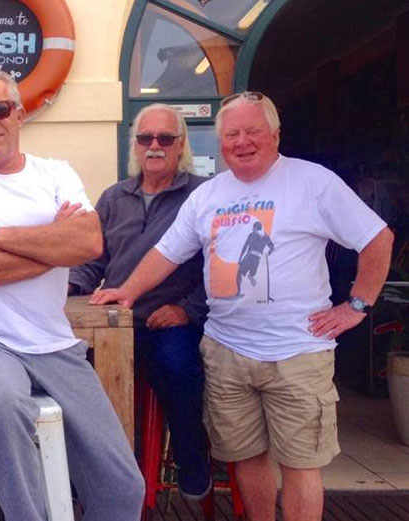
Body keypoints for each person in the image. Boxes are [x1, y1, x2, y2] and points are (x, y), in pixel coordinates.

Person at [93, 92, 394, 521]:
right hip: (226, 351)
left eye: (253, 131)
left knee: (300, 463)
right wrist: (128, 292)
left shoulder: (313, 181)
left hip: (297, 351)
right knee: (246, 457)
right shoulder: (208, 195)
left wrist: (357, 305)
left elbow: (376, 237)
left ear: (274, 134)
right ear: (220, 143)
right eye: (231, 134)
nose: (242, 141)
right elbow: (167, 252)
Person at [0, 67, 144, 521]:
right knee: (0, 405)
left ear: (20, 115)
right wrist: (50, 246)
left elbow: (88, 244)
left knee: (122, 488)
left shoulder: (55, 172)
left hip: (55, 345)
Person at [69, 103, 211, 500]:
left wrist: (188, 309)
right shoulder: (114, 196)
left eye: (165, 138)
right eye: (146, 138)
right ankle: (99, 474)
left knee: (176, 367)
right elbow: (93, 260)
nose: (154, 146)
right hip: (114, 322)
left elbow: (217, 265)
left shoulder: (201, 195)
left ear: (181, 144)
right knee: (72, 376)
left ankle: (191, 455)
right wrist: (68, 286)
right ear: (135, 144)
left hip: (171, 319)